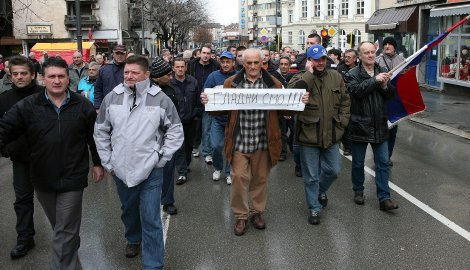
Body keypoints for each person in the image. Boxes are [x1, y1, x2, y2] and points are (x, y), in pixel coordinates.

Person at [0, 57, 103, 269]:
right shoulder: (28, 106)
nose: (57, 81)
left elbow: (95, 137)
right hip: (42, 177)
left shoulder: (83, 105)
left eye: (61, 76)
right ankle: (72, 252)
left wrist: (98, 163)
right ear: (42, 79)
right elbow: (4, 128)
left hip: (73, 177)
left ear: (68, 78)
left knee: (64, 230)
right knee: (62, 228)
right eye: (52, 76)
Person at [201, 48, 308, 236]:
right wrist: (209, 102)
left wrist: (300, 102)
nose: (252, 66)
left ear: (262, 63)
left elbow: (286, 111)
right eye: (248, 63)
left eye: (255, 63)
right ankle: (241, 216)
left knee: (260, 180)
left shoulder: (273, 84)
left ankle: (257, 212)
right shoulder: (231, 83)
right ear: (243, 63)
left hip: (263, 141)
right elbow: (219, 111)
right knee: (238, 178)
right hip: (239, 141)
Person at [94, 55, 183, 269]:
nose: (129, 76)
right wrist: (108, 162)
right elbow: (100, 131)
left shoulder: (160, 99)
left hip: (150, 169)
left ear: (146, 75)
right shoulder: (112, 98)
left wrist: (161, 158)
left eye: (134, 72)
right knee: (128, 209)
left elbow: (175, 131)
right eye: (126, 72)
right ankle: (133, 238)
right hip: (120, 169)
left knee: (151, 217)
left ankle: (153, 265)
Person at [296, 45, 350, 225]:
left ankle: (319, 191)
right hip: (309, 135)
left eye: (323, 59)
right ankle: (314, 208)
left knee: (333, 171)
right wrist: (309, 75)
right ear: (309, 61)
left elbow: (345, 101)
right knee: (311, 175)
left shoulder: (335, 76)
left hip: (332, 133)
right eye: (316, 59)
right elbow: (294, 96)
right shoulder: (300, 77)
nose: (321, 62)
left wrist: (342, 122)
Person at [344, 41, 399, 211]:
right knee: (359, 163)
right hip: (360, 126)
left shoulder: (382, 71)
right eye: (366, 53)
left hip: (380, 125)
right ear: (359, 56)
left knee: (383, 163)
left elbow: (391, 94)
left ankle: (384, 198)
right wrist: (375, 81)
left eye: (372, 52)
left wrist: (384, 85)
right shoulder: (352, 73)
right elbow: (357, 92)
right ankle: (358, 190)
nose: (370, 55)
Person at [0, 56, 43, 259]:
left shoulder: (45, 95)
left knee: (55, 199)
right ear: (10, 74)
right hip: (20, 160)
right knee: (23, 200)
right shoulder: (4, 98)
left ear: (32, 75)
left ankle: (66, 238)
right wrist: (6, 150)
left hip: (46, 158)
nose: (19, 77)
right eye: (15, 73)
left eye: (23, 73)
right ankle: (25, 237)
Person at [150, 57, 181, 215]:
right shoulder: (143, 91)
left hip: (167, 137)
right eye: (167, 75)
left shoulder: (171, 90)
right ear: (157, 76)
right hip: (148, 139)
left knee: (168, 169)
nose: (171, 77)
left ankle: (168, 201)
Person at [204, 51, 237, 184]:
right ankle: (217, 168)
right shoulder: (213, 76)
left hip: (233, 118)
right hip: (217, 118)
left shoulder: (238, 76)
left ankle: (229, 172)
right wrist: (204, 98)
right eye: (222, 62)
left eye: (227, 62)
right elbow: (205, 92)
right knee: (216, 145)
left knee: (231, 146)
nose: (225, 64)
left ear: (233, 62)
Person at [171, 58, 201, 185]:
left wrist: (196, 114)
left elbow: (198, 100)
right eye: (177, 67)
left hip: (191, 119)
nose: (180, 69)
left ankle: (186, 164)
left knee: (189, 145)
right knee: (179, 147)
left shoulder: (193, 82)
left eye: (182, 67)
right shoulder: (170, 84)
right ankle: (182, 172)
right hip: (176, 121)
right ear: (173, 68)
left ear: (186, 67)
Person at [377, 36, 405, 167]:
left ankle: (387, 156)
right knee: (381, 130)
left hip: (396, 100)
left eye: (390, 44)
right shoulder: (378, 61)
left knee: (393, 131)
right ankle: (380, 156)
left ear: (395, 46)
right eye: (385, 44)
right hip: (381, 100)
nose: (387, 46)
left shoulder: (403, 61)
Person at [188, 44, 219, 163]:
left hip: (208, 101)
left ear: (211, 55)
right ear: (199, 53)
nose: (206, 56)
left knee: (207, 127)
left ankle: (207, 152)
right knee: (196, 126)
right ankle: (195, 146)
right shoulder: (192, 65)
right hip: (194, 99)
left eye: (208, 53)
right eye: (204, 53)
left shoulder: (215, 65)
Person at [270, 55, 294, 161]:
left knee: (294, 131)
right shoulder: (274, 77)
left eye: (286, 64)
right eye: (281, 64)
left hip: (293, 110)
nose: (283, 66)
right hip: (280, 110)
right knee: (282, 132)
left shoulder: (295, 76)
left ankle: (292, 144)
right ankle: (282, 152)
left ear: (289, 66)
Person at [337, 49, 358, 156]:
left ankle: (353, 145)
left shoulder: (359, 69)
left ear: (355, 58)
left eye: (349, 57)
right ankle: (347, 146)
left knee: (354, 125)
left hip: (356, 101)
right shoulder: (340, 69)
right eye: (345, 56)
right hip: (344, 101)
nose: (346, 59)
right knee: (345, 123)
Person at [94, 44, 127, 109]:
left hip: (126, 106)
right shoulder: (104, 69)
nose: (119, 56)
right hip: (107, 106)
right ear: (113, 54)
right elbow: (98, 89)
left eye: (122, 53)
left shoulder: (130, 69)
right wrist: (98, 107)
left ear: (126, 54)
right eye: (117, 53)